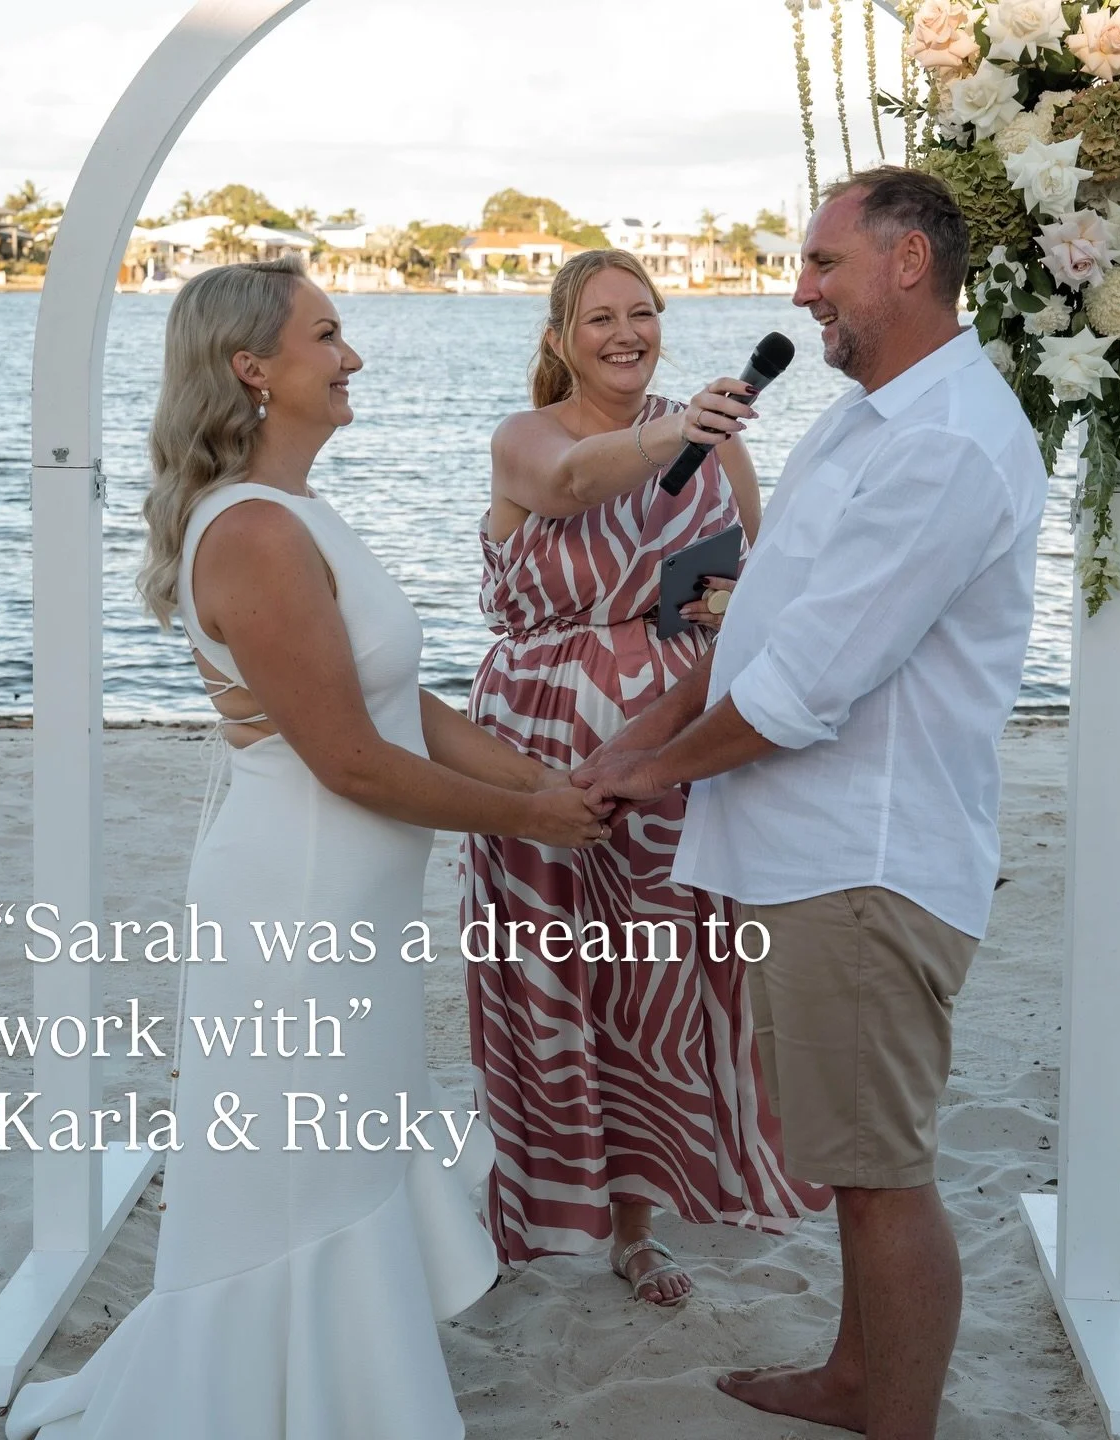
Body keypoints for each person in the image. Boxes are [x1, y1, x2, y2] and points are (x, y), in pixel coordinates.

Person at [5, 255, 609, 1440]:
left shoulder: (301, 515)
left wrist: (537, 776)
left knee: (340, 1153)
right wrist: (529, 819)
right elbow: (354, 762)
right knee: (296, 1169)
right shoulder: (252, 537)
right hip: (298, 909)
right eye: (328, 336)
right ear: (253, 370)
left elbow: (405, 707)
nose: (354, 358)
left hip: (351, 908)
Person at [577, 168, 1049, 1436]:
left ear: (908, 264)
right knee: (850, 1164)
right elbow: (769, 614)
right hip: (810, 856)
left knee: (883, 1175)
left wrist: (643, 771)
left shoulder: (948, 441)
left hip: (865, 863)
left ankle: (895, 1414)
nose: (801, 290)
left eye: (824, 263)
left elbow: (807, 687)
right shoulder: (868, 417)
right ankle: (855, 1376)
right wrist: (655, 722)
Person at [462, 247, 829, 1309]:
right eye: (599, 319)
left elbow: (752, 594)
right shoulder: (526, 441)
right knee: (543, 974)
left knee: (652, 983)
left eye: (643, 313)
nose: (627, 334)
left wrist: (718, 617)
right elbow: (576, 485)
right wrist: (681, 430)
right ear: (557, 338)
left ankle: (633, 1223)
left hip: (671, 748)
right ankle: (530, 1200)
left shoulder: (720, 449)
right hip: (532, 739)